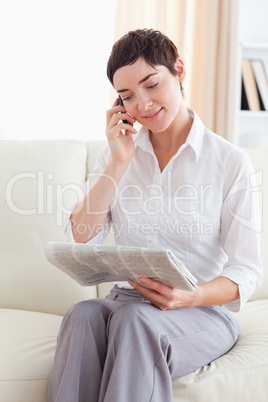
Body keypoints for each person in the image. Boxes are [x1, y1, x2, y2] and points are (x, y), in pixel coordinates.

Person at [47, 29, 262, 402]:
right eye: (128, 96)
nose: (143, 104)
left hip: (202, 311)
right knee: (82, 315)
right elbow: (81, 236)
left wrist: (189, 296)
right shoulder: (118, 154)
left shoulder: (228, 162)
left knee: (135, 323)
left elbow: (246, 272)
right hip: (128, 301)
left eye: (151, 84)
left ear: (178, 71)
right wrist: (117, 163)